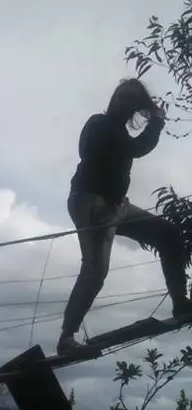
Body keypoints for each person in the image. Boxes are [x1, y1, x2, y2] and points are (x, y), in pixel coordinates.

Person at [58, 79, 192, 355]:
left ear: (136, 106)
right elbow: (134, 149)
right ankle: (67, 339)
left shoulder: (117, 133)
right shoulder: (99, 124)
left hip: (117, 205)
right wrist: (156, 122)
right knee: (95, 269)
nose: (125, 102)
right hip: (90, 202)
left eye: (132, 99)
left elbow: (130, 149)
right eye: (122, 96)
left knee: (167, 233)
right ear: (113, 98)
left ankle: (181, 301)